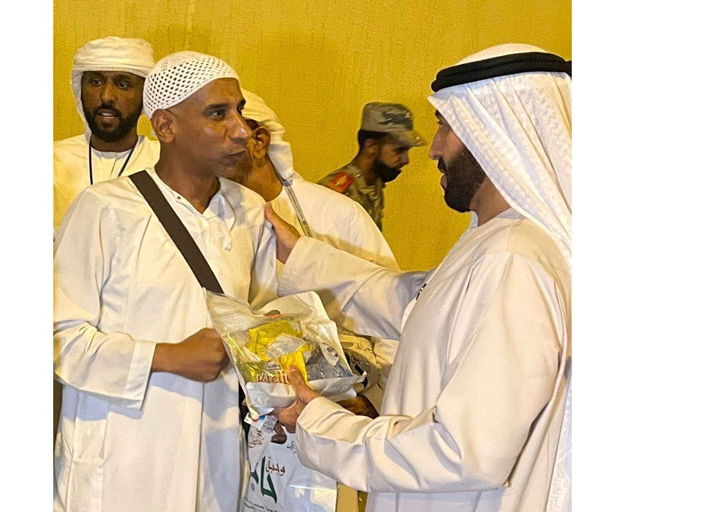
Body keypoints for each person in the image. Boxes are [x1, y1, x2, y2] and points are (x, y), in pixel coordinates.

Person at [269, 43, 572, 512]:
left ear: (491, 133)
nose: (433, 150)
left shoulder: (514, 260)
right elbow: (418, 305)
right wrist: (297, 253)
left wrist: (320, 423)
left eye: (445, 127)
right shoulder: (494, 242)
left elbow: (465, 452)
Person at [53, 51, 276, 512]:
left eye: (239, 112)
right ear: (166, 127)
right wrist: (166, 356)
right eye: (218, 114)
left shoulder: (250, 213)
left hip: (214, 453)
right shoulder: (106, 208)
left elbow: (263, 326)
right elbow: (59, 338)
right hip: (120, 454)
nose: (240, 130)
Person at [229, 89, 400, 412]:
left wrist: (372, 403)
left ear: (259, 141)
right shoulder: (207, 222)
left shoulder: (337, 213)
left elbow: (391, 313)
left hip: (341, 409)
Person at [53, 36, 160, 233]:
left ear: (145, 95)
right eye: (96, 82)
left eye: (123, 84)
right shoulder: (54, 160)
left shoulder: (165, 164)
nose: (106, 96)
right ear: (80, 90)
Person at [318, 102, 426, 230]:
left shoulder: (373, 185)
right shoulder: (338, 192)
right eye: (399, 150)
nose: (405, 160)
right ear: (371, 147)